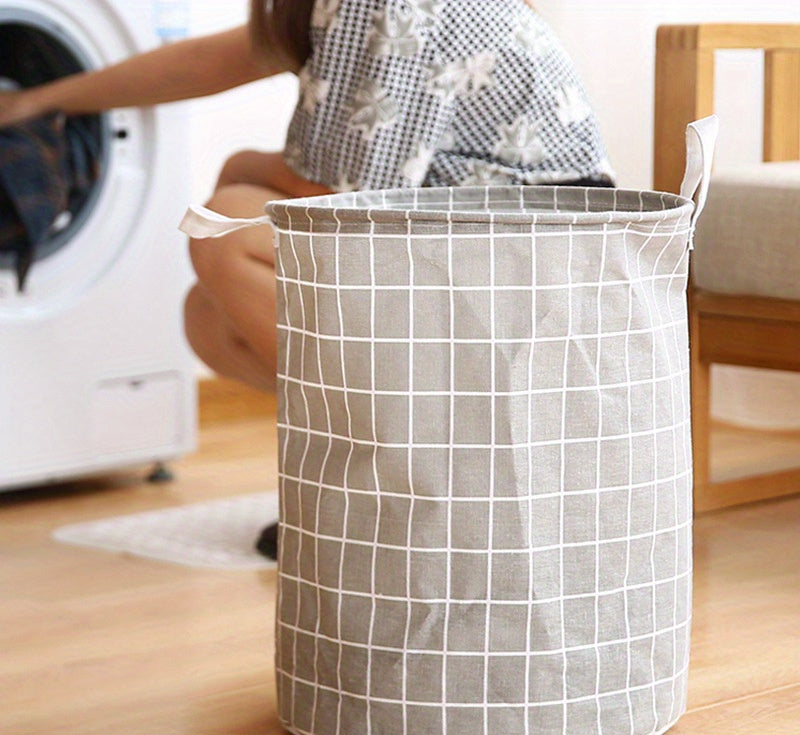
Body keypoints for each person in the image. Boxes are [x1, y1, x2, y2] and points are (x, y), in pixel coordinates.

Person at [1, 0, 613, 557]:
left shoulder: (390, 3)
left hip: (540, 276)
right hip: (495, 258)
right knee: (208, 318)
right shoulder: (334, 6)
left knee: (232, 224)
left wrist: (241, 164)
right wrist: (38, 102)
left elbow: (343, 199)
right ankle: (397, 480)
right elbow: (202, 63)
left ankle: (407, 490)